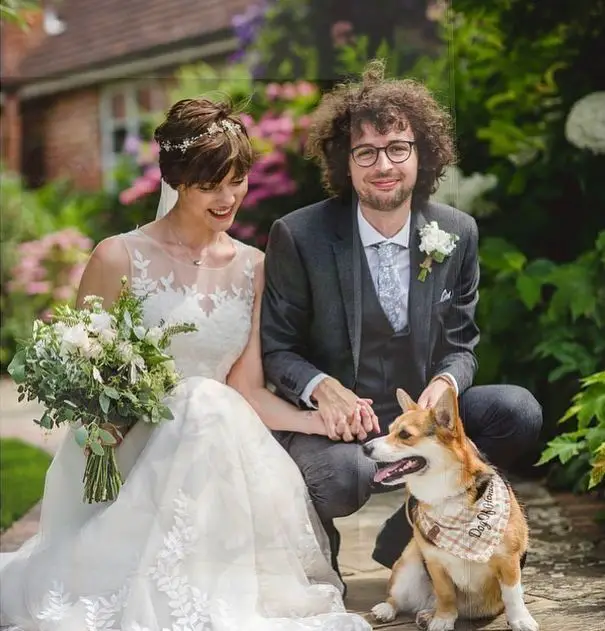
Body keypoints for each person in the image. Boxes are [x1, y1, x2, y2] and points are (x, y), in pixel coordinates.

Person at [0, 98, 372, 631]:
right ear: (175, 179)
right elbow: (83, 376)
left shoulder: (254, 266)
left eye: (237, 180)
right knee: (196, 398)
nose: (228, 198)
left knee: (205, 399)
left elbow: (245, 390)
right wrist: (100, 425)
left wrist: (319, 419)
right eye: (210, 185)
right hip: (127, 453)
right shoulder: (117, 258)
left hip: (216, 454)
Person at [260, 60, 543, 574]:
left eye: (397, 148)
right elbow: (277, 349)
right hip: (340, 426)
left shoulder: (456, 231)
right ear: (344, 163)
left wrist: (445, 383)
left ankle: (404, 537)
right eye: (365, 152)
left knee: (517, 411)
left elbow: (461, 341)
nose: (383, 165)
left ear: (422, 154)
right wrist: (323, 388)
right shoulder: (299, 236)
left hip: (423, 419)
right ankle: (321, 563)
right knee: (336, 479)